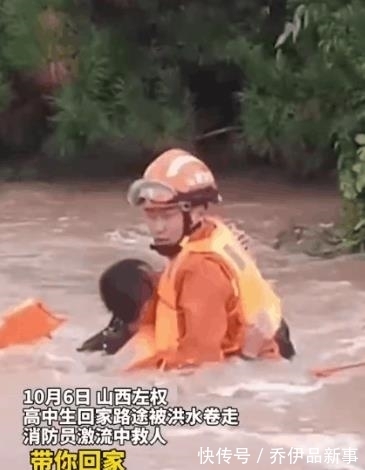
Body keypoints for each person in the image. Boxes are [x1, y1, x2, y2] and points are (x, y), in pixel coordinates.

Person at [79, 148, 295, 371]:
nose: (158, 228)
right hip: (270, 357)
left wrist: (247, 357)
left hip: (254, 373)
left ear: (197, 212)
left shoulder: (200, 271)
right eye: (151, 216)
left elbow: (201, 371)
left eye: (167, 216)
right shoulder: (210, 232)